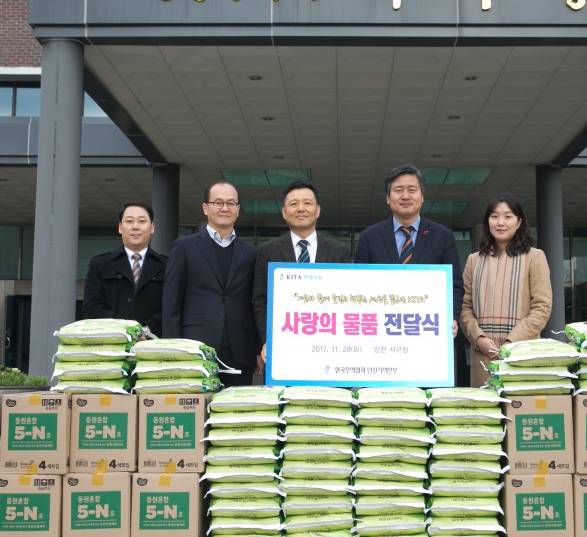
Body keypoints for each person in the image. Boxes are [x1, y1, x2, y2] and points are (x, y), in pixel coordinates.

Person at [162, 181, 258, 386]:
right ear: (205, 208)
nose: (225, 208)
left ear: (238, 210)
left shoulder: (251, 253)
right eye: (218, 202)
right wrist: (172, 348)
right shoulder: (184, 247)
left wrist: (258, 349)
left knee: (236, 413)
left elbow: (255, 303)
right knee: (195, 413)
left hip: (240, 349)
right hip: (195, 347)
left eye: (231, 203)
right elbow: (172, 301)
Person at [252, 180, 353, 374]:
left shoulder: (339, 251)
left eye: (307, 203)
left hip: (330, 349)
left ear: (317, 210)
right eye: (293, 204)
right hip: (284, 347)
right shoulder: (268, 251)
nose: (301, 209)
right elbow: (260, 301)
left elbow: (347, 300)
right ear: (284, 212)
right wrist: (268, 340)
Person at [355, 163, 464, 334]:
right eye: (398, 190)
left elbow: (455, 286)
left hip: (426, 328)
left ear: (422, 197)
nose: (405, 196)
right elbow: (359, 285)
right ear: (388, 198)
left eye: (412, 190)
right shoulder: (369, 237)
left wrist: (452, 317)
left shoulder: (443, 236)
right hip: (381, 329)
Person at [460, 194, 552, 387]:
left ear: (519, 222)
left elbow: (542, 308)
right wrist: (479, 339)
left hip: (522, 352)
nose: (500, 222)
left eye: (508, 217)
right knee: (487, 412)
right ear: (487, 222)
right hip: (484, 355)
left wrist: (511, 343)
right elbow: (465, 309)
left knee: (521, 412)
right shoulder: (473, 260)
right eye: (494, 216)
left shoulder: (534, 257)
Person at [82, 201, 165, 338]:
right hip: (112, 345)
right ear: (120, 228)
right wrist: (126, 329)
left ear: (152, 228)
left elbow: (173, 307)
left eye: (142, 221)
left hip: (154, 345)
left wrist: (146, 330)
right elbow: (92, 308)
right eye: (129, 221)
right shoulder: (100, 265)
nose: (135, 227)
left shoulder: (167, 266)